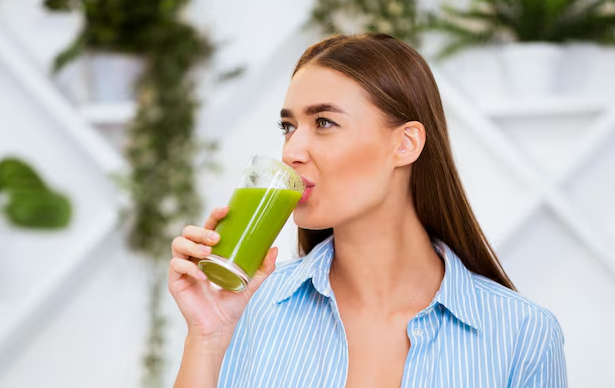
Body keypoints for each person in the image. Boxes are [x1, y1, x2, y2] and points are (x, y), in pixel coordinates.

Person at [169, 33, 567, 388]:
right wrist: (208, 337)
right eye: (288, 127)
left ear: (405, 144)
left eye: (323, 122)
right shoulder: (254, 308)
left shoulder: (522, 334)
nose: (291, 152)